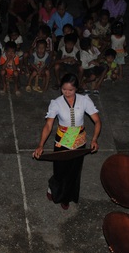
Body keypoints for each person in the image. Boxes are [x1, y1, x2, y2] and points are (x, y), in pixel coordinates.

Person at [32, 73, 101, 210]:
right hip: (62, 141)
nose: (67, 93)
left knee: (74, 171)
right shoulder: (56, 103)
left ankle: (66, 197)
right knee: (60, 170)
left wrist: (94, 139)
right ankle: (53, 187)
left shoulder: (84, 100)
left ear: (76, 88)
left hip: (79, 141)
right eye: (64, 89)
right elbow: (48, 125)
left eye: (70, 90)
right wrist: (41, 145)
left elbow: (97, 121)